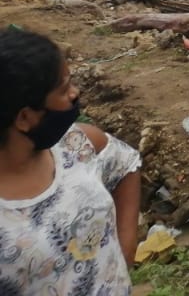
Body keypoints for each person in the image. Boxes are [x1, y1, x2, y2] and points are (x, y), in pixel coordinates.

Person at [0, 28, 141, 295]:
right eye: (64, 90)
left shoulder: (75, 145)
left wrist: (125, 249)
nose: (75, 94)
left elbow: (126, 164)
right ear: (25, 118)